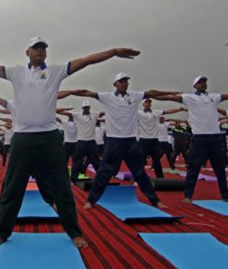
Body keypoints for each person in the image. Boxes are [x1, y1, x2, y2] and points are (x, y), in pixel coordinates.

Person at [0, 38, 141, 248]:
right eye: (36, 47)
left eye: (43, 48)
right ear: (27, 51)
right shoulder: (16, 72)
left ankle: (74, 232)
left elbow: (87, 61)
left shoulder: (56, 71)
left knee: (62, 187)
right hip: (22, 138)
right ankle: (2, 232)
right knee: (12, 187)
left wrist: (114, 51)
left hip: (49, 137)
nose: (40, 50)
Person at [65, 73, 177, 208]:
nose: (124, 83)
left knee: (140, 172)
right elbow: (88, 93)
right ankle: (91, 200)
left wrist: (170, 93)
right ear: (115, 84)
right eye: (121, 81)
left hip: (130, 141)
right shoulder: (107, 97)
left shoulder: (134, 97)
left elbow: (150, 93)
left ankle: (155, 200)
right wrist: (71, 91)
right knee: (103, 172)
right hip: (113, 141)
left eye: (126, 81)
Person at [158, 76, 228, 202]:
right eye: (200, 82)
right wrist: (151, 95)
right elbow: (169, 98)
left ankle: (225, 196)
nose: (203, 84)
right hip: (199, 138)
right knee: (194, 168)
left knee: (219, 168)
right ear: (194, 86)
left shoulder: (214, 97)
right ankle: (188, 196)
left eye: (204, 82)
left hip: (215, 138)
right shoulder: (189, 98)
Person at [137, 98, 185, 179]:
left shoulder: (156, 112)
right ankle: (139, 179)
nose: (148, 104)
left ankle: (160, 178)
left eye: (149, 102)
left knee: (157, 161)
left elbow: (168, 111)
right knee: (141, 161)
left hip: (155, 141)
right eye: (146, 102)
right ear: (143, 104)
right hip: (143, 140)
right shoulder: (139, 113)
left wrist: (179, 109)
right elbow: (126, 112)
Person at [67, 100, 103, 183]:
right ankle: (73, 180)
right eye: (85, 107)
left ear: (89, 107)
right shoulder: (77, 115)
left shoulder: (95, 114)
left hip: (91, 142)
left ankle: (101, 179)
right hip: (81, 142)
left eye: (87, 107)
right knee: (77, 161)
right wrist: (62, 109)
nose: (86, 109)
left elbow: (105, 113)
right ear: (82, 108)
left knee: (96, 161)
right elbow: (67, 114)